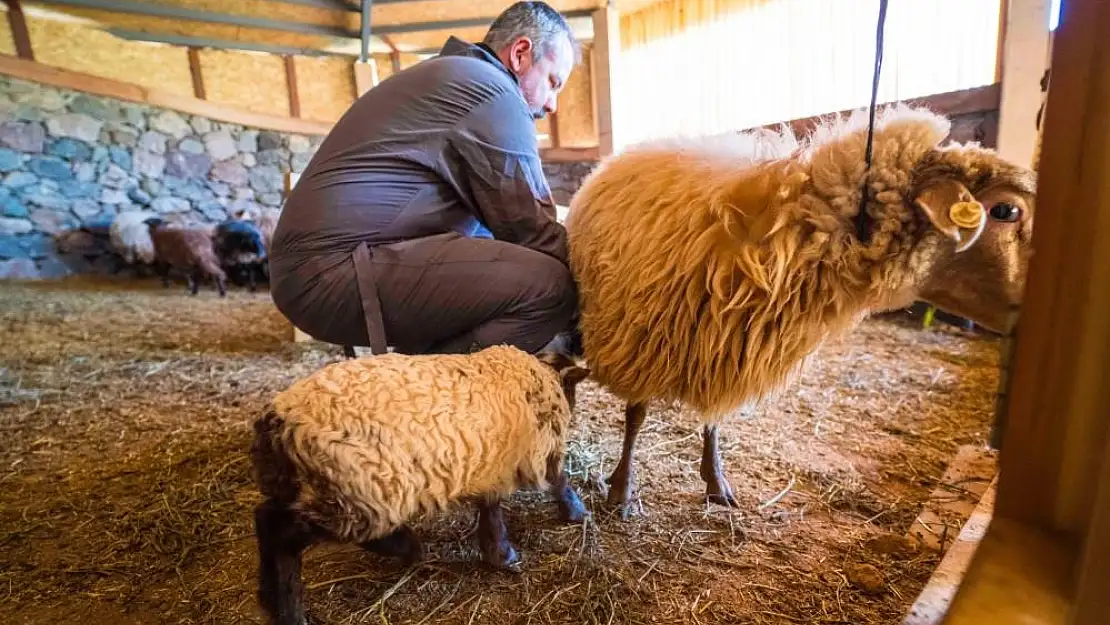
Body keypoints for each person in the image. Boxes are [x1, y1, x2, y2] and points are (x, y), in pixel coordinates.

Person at [268, 1, 582, 357]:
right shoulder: (492, 92)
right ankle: (431, 397)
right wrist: (612, 282)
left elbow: (496, 233)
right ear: (521, 53)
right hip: (333, 273)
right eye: (553, 82)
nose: (553, 104)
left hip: (320, 269)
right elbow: (532, 229)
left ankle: (411, 383)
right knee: (551, 288)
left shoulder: (452, 76)